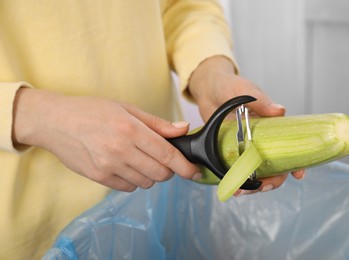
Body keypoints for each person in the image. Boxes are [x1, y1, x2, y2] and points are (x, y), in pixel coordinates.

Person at [0, 1, 305, 258]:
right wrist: (40, 117)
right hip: (28, 235)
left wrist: (210, 71)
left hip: (161, 197)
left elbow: (183, 6)